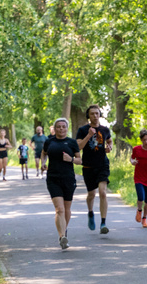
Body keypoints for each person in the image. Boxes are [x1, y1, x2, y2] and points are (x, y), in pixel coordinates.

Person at [42, 118, 82, 249]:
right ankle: (62, 236)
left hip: (68, 178)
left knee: (67, 209)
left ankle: (64, 231)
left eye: (63, 127)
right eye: (58, 127)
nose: (61, 129)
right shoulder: (49, 142)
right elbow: (44, 153)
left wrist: (71, 159)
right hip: (53, 178)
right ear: (55, 128)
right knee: (59, 209)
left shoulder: (72, 142)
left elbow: (79, 160)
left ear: (67, 128)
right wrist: (43, 163)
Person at [76, 105, 112, 234]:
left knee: (103, 192)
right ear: (88, 116)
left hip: (102, 164)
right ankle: (91, 213)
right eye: (92, 114)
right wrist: (89, 135)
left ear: (100, 115)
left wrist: (109, 147)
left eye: (97, 113)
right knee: (91, 194)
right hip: (88, 166)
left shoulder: (105, 129)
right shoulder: (82, 130)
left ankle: (103, 222)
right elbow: (78, 147)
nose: (95, 116)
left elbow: (109, 141)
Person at [130, 129, 147, 228]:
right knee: (141, 197)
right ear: (141, 140)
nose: (146, 142)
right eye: (144, 140)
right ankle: (139, 211)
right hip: (139, 178)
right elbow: (132, 158)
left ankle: (144, 219)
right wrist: (132, 162)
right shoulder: (136, 149)